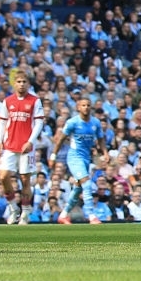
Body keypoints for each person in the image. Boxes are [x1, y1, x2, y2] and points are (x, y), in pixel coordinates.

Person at [0, 70, 44, 225]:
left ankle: (25, 210)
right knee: (3, 177)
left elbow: (39, 123)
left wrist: (30, 141)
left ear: (28, 84)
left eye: (24, 82)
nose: (21, 84)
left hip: (26, 147)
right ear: (14, 84)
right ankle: (13, 207)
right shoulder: (8, 101)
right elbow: (2, 122)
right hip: (9, 145)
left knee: (25, 179)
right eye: (19, 81)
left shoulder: (35, 101)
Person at [52, 95, 106, 224]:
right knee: (86, 184)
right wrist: (53, 155)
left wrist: (105, 152)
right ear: (78, 108)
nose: (86, 107)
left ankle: (63, 215)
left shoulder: (95, 123)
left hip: (86, 158)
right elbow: (60, 139)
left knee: (77, 189)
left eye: (88, 105)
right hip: (74, 157)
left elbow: (101, 139)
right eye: (83, 105)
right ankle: (91, 216)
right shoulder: (73, 122)